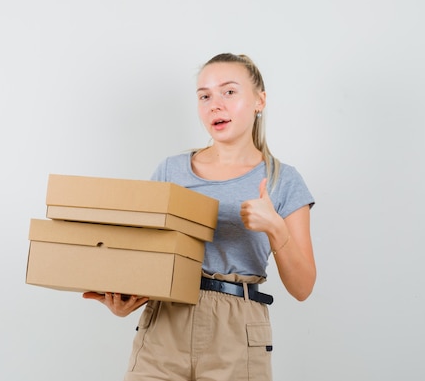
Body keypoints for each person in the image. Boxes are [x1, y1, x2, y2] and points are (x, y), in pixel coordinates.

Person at [83, 53, 316, 380]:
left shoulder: (283, 180)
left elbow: (303, 287)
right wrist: (125, 298)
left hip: (237, 331)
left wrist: (276, 229)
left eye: (229, 92)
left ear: (259, 100)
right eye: (204, 96)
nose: (214, 105)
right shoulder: (171, 170)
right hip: (164, 326)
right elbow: (144, 256)